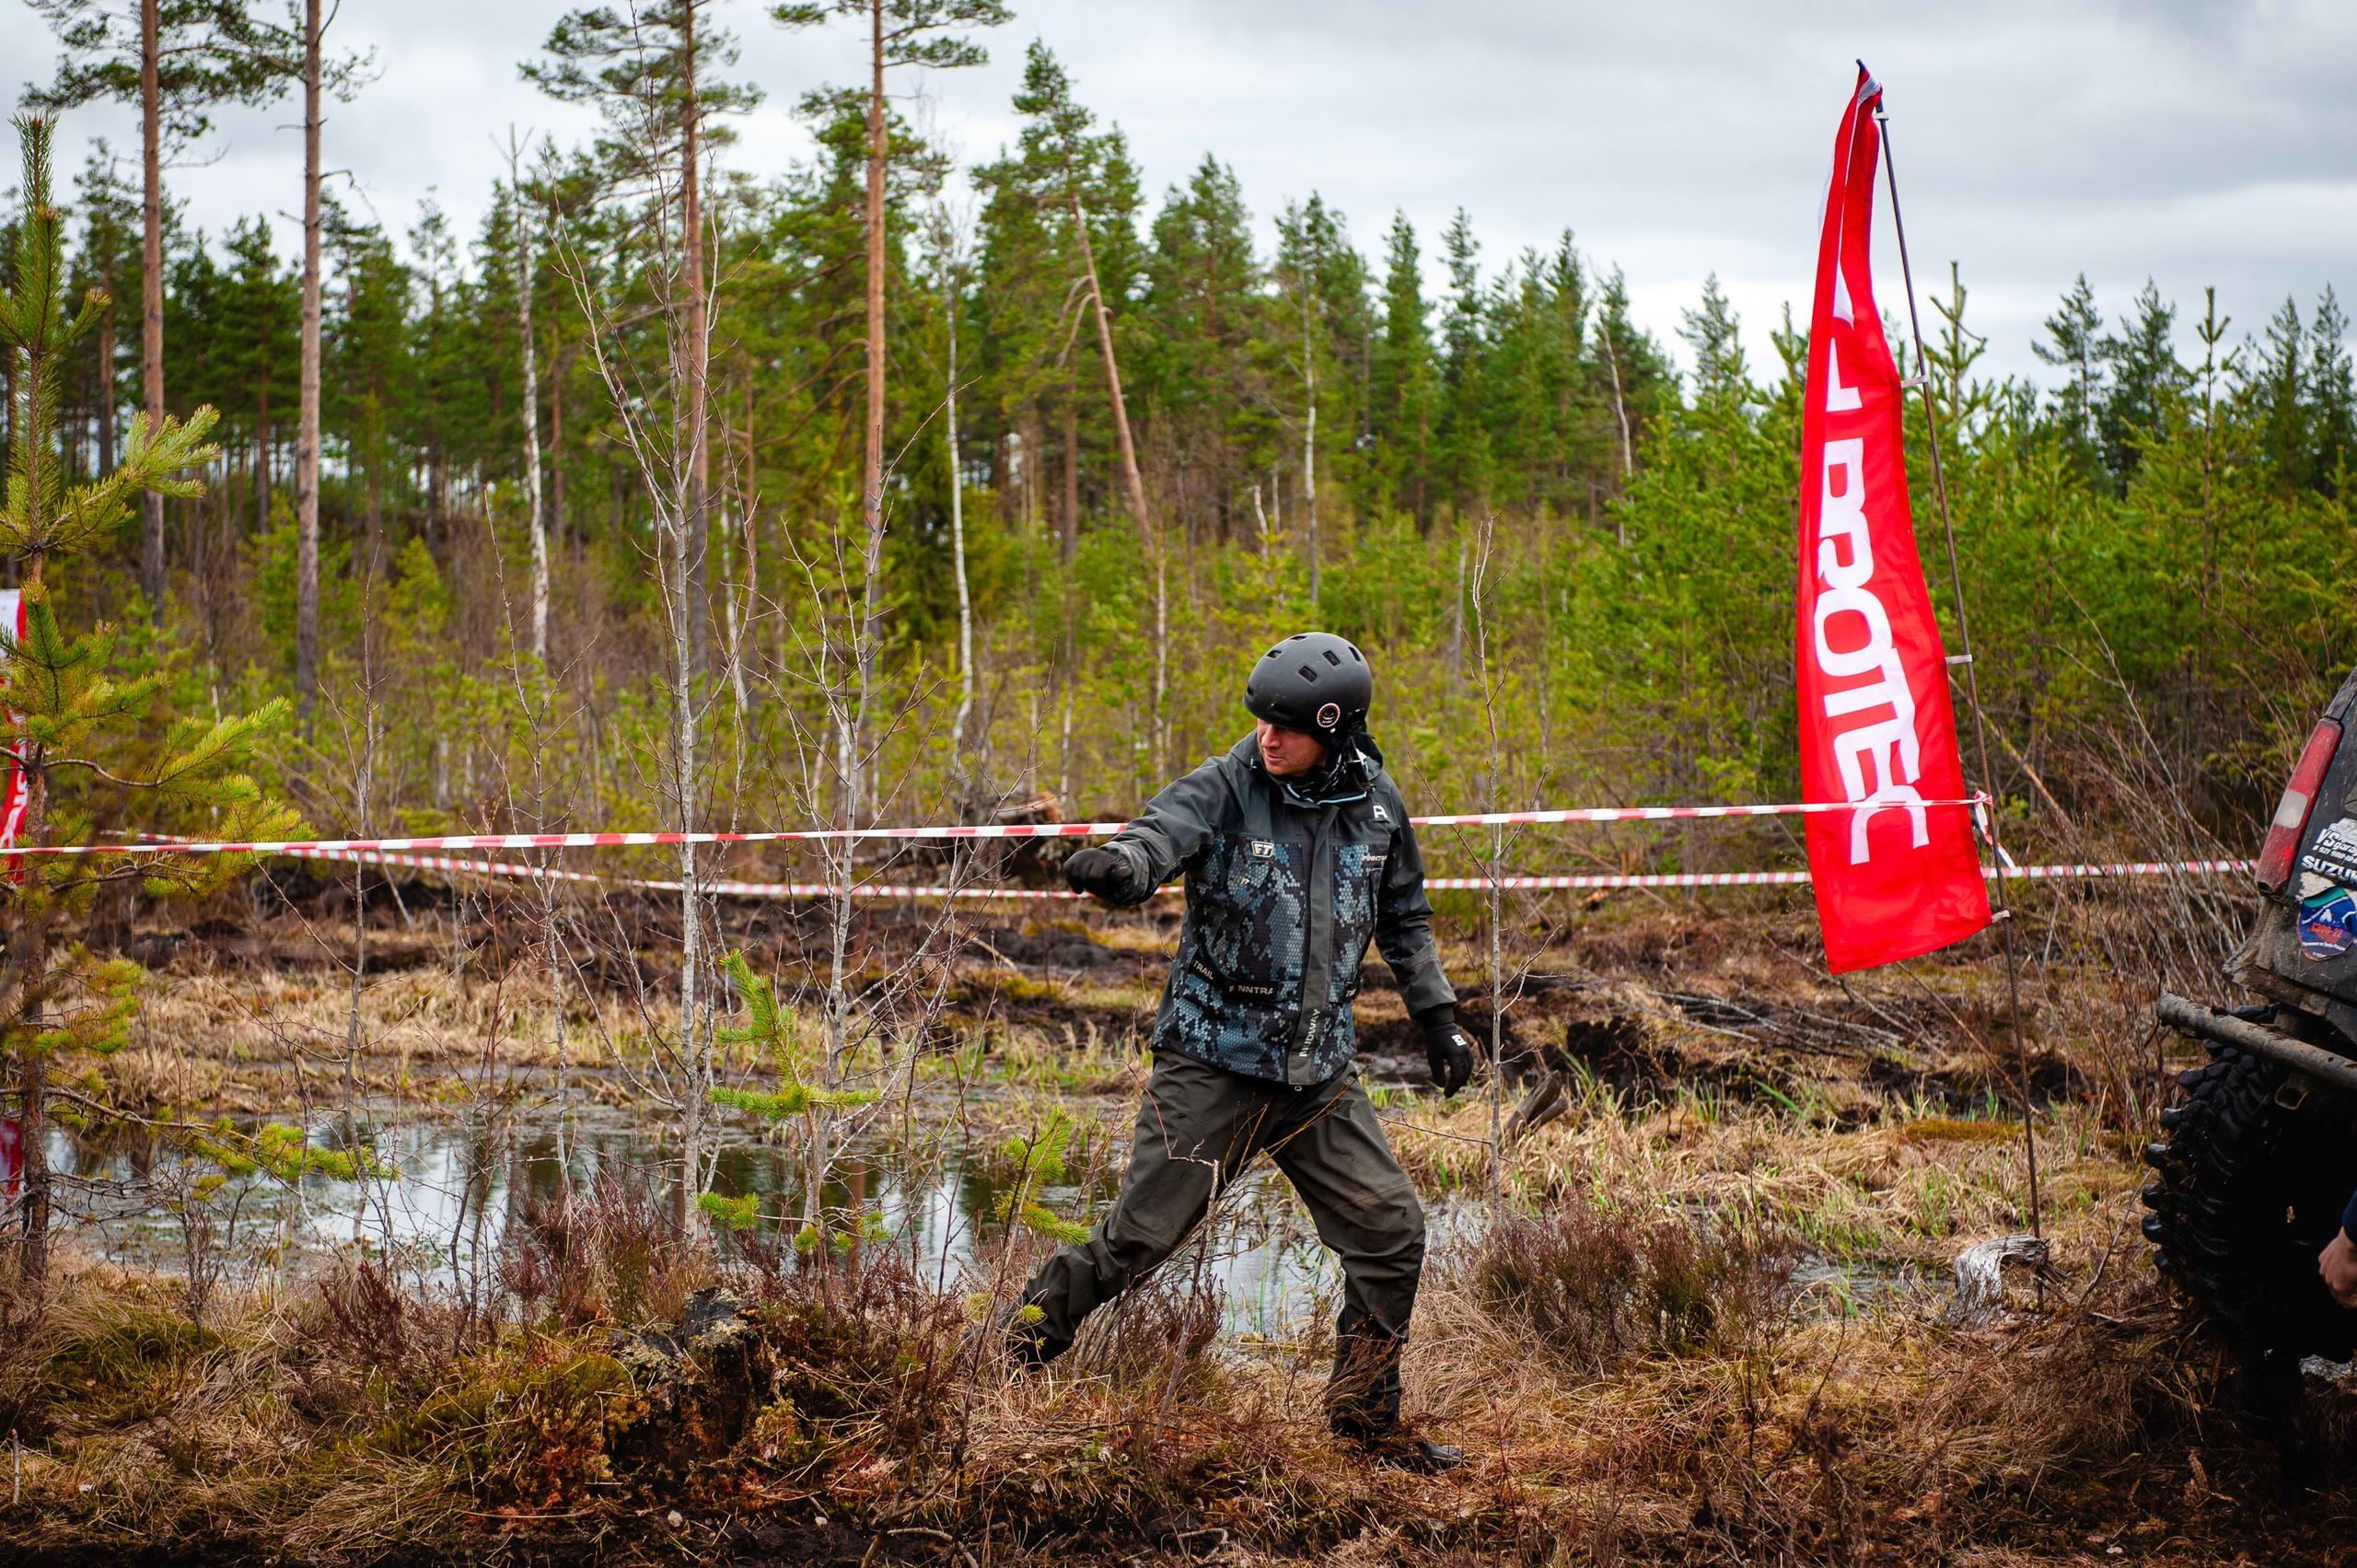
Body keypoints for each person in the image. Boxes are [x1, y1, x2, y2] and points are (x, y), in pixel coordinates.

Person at [1001, 631, 1474, 1472]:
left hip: (1317, 1077)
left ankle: (1363, 1426)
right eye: (1260, 721)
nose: (1267, 738)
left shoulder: (1376, 807)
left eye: (1286, 727)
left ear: (1336, 728)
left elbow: (1404, 918)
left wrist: (1438, 1017)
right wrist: (1123, 866)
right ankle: (1010, 1355)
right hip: (1211, 1065)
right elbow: (1159, 834)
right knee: (1135, 1243)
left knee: (1391, 1228)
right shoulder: (1226, 787)